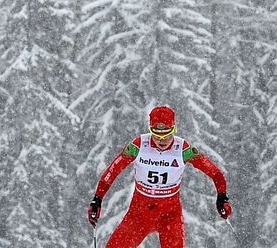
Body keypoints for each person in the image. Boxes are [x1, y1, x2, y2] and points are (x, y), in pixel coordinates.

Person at [88, 105, 232, 248]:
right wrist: (97, 199)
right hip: (139, 215)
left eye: (167, 134)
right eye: (156, 134)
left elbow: (215, 173)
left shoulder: (184, 149)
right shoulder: (138, 146)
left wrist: (222, 197)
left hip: (170, 217)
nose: (161, 140)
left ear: (174, 129)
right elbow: (112, 171)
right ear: (150, 130)